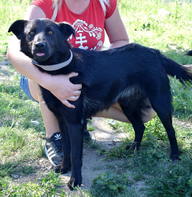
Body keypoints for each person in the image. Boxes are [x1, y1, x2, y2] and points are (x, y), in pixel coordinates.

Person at [7, 0, 155, 167]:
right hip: (40, 78)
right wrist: (50, 81)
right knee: (42, 73)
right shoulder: (46, 3)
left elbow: (120, 40)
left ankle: (79, 116)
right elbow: (13, 51)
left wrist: (104, 67)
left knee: (146, 113)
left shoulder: (104, 3)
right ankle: (55, 137)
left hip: (86, 79)